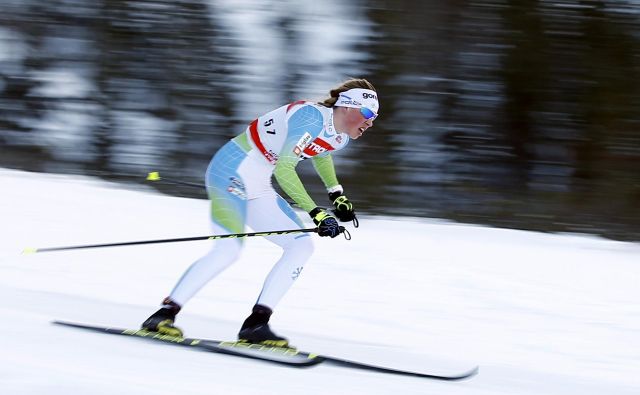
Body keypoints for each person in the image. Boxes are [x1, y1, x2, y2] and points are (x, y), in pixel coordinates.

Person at [141, 78, 379, 347]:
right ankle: (163, 315)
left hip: (258, 183)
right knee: (228, 250)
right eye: (368, 114)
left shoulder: (340, 137)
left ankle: (256, 325)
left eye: (375, 117)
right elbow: (284, 169)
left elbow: (322, 153)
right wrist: (315, 212)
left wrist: (337, 194)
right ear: (348, 107)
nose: (371, 122)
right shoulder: (311, 118)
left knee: (301, 247)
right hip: (231, 170)